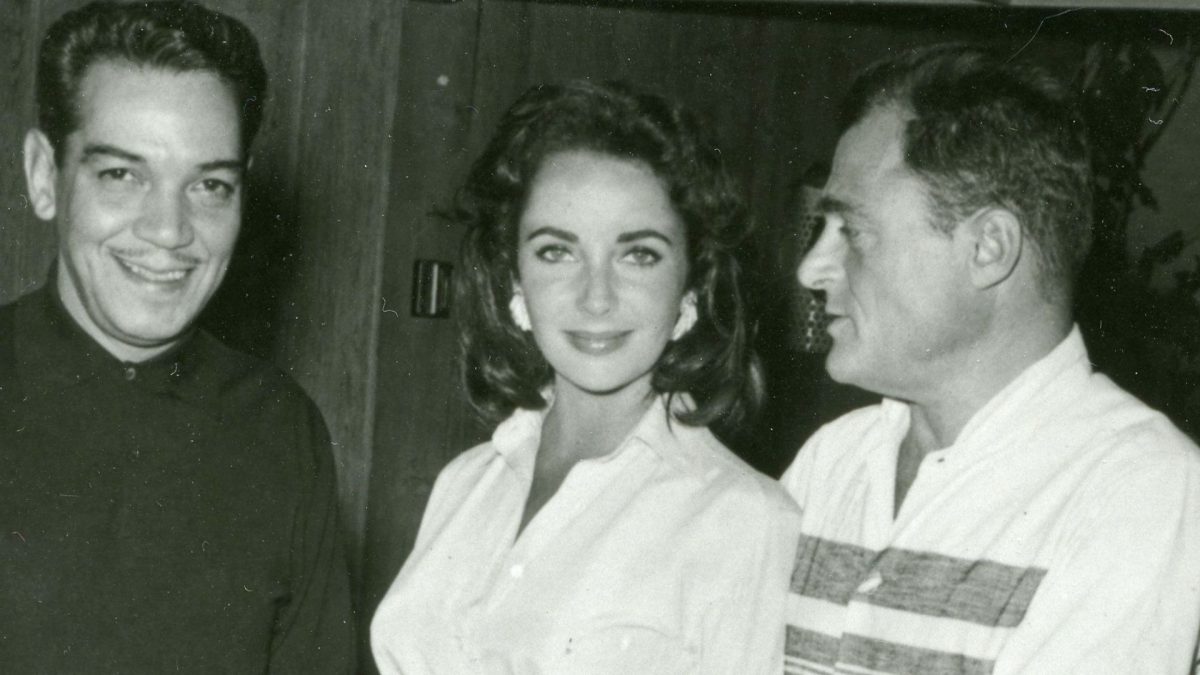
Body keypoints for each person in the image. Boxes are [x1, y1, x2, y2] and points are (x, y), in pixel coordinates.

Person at [781, 43, 1200, 675]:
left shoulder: (1140, 490)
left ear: (989, 248)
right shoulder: (831, 461)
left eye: (854, 233)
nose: (811, 269)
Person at [370, 79, 801, 674]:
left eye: (638, 254)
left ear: (692, 288)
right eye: (557, 251)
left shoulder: (746, 520)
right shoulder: (465, 484)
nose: (596, 297)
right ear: (514, 278)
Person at [0, 2, 355, 671]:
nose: (169, 229)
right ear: (45, 176)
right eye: (121, 174)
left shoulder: (283, 431)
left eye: (209, 185)